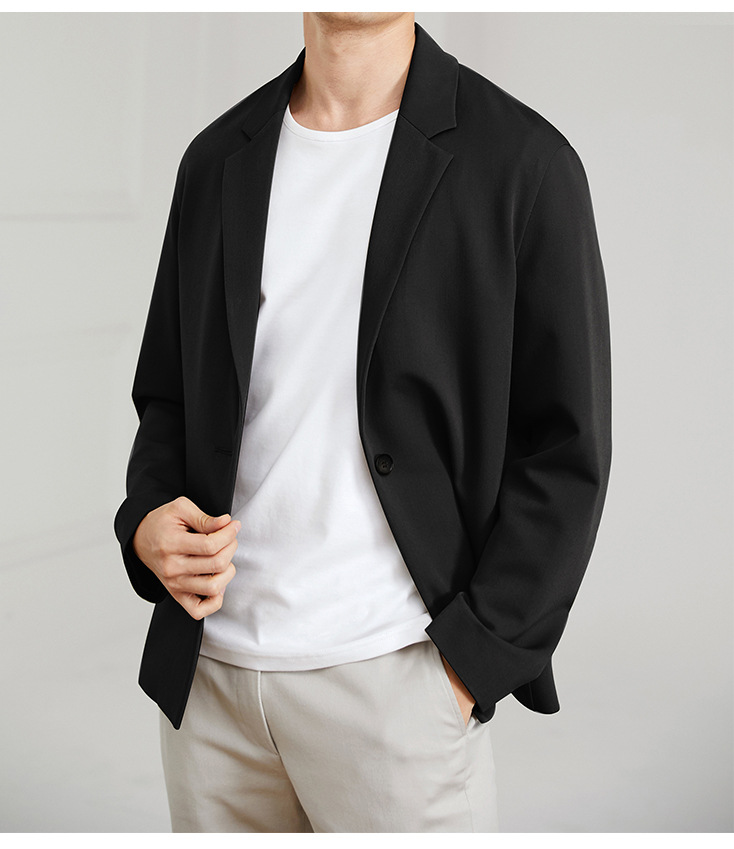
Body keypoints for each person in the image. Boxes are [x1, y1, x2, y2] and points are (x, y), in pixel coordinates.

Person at [114, 12, 612, 833]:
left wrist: (470, 662)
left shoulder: (524, 162)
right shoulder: (215, 159)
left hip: (396, 683)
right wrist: (146, 520)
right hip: (211, 688)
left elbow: (566, 446)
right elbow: (168, 394)